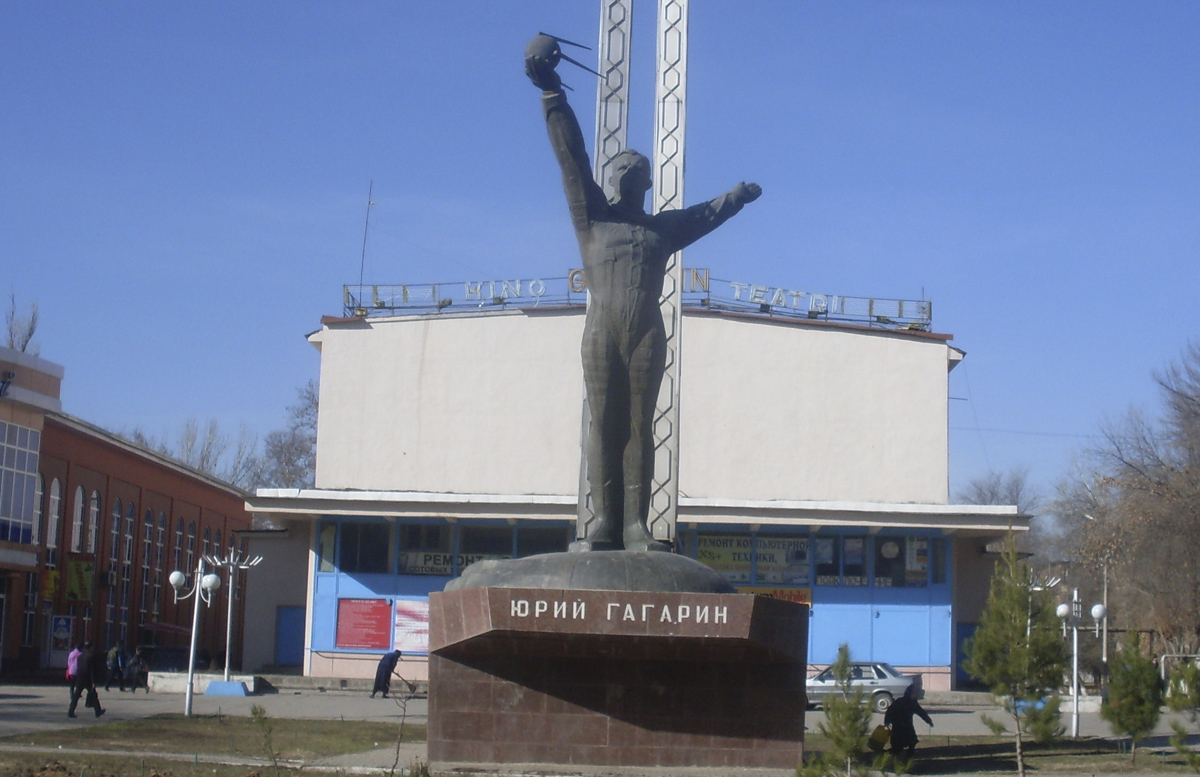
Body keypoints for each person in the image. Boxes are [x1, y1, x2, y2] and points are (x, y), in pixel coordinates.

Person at [525, 41, 761, 551]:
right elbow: (571, 157)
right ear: (611, 180)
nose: (628, 173)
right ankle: (603, 523)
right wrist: (551, 91)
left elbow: (704, 215)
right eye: (622, 169)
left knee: (640, 424)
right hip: (602, 330)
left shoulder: (661, 230)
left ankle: (636, 525)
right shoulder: (593, 219)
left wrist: (736, 198)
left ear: (648, 184)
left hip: (645, 333)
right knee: (603, 422)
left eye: (638, 171)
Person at [884, 684, 932, 763]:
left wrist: (928, 720)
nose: (917, 694)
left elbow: (921, 712)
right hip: (898, 726)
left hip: (907, 726)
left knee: (912, 742)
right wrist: (887, 721)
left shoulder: (913, 703)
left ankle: (908, 757)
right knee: (898, 745)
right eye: (915, 692)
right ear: (910, 693)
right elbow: (890, 711)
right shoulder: (900, 701)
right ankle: (894, 758)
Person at [68, 641, 106, 719]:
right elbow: (92, 670)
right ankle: (97, 711)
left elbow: (78, 667)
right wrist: (93, 681)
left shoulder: (80, 656)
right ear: (91, 647)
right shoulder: (91, 656)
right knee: (93, 694)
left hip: (80, 677)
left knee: (76, 695)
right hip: (87, 678)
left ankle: (70, 711)